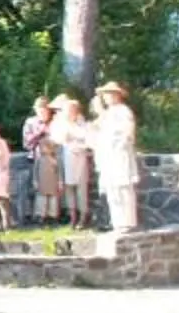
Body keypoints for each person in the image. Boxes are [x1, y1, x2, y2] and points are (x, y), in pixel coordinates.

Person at [93, 81, 143, 232]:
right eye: (105, 95)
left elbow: (128, 131)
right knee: (112, 189)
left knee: (123, 187)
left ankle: (127, 221)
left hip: (119, 153)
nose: (107, 97)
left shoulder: (123, 111)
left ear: (117, 95)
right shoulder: (106, 113)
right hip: (108, 154)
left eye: (109, 94)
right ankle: (117, 221)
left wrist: (121, 144)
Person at [53, 96, 93, 228]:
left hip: (80, 157)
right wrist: (66, 137)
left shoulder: (82, 123)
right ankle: (72, 216)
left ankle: (83, 216)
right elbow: (57, 138)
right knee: (68, 188)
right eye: (68, 111)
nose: (70, 113)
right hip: (66, 157)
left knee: (81, 188)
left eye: (72, 110)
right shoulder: (61, 123)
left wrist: (76, 138)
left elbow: (87, 138)